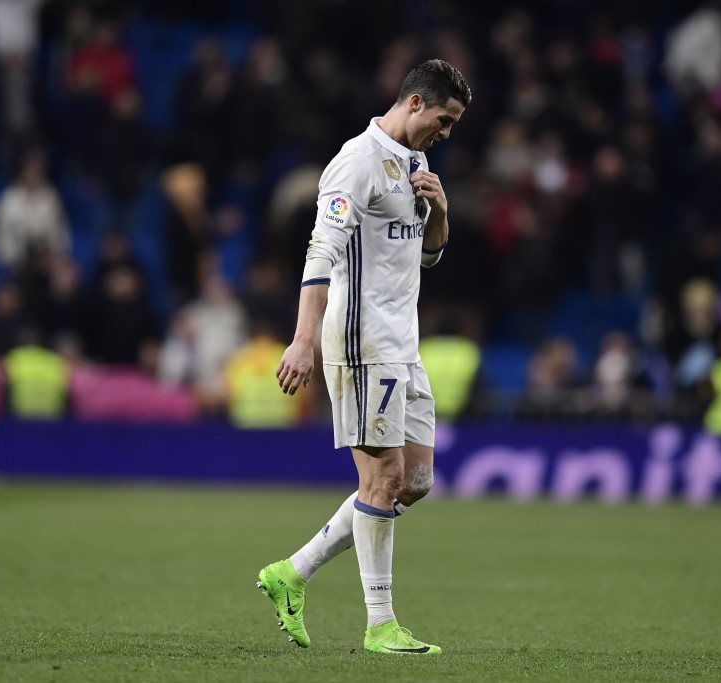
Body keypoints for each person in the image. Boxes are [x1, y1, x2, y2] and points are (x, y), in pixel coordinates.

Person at [256, 59, 471, 655]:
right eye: (445, 120)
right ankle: (380, 624)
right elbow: (320, 252)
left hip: (404, 344)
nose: (447, 134)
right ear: (416, 103)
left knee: (415, 481)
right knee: (381, 478)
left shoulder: (417, 164)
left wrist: (442, 214)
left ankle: (291, 573)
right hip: (361, 343)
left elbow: (423, 259)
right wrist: (303, 338)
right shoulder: (356, 162)